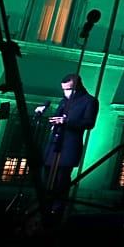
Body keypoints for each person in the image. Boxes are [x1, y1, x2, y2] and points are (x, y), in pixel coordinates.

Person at [36, 73, 99, 217]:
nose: (65, 92)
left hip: (69, 146)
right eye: (64, 89)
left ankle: (57, 210)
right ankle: (45, 207)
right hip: (54, 144)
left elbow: (89, 122)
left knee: (61, 180)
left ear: (77, 87)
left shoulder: (89, 101)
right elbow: (58, 116)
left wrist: (67, 122)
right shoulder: (64, 101)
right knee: (47, 177)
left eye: (68, 89)